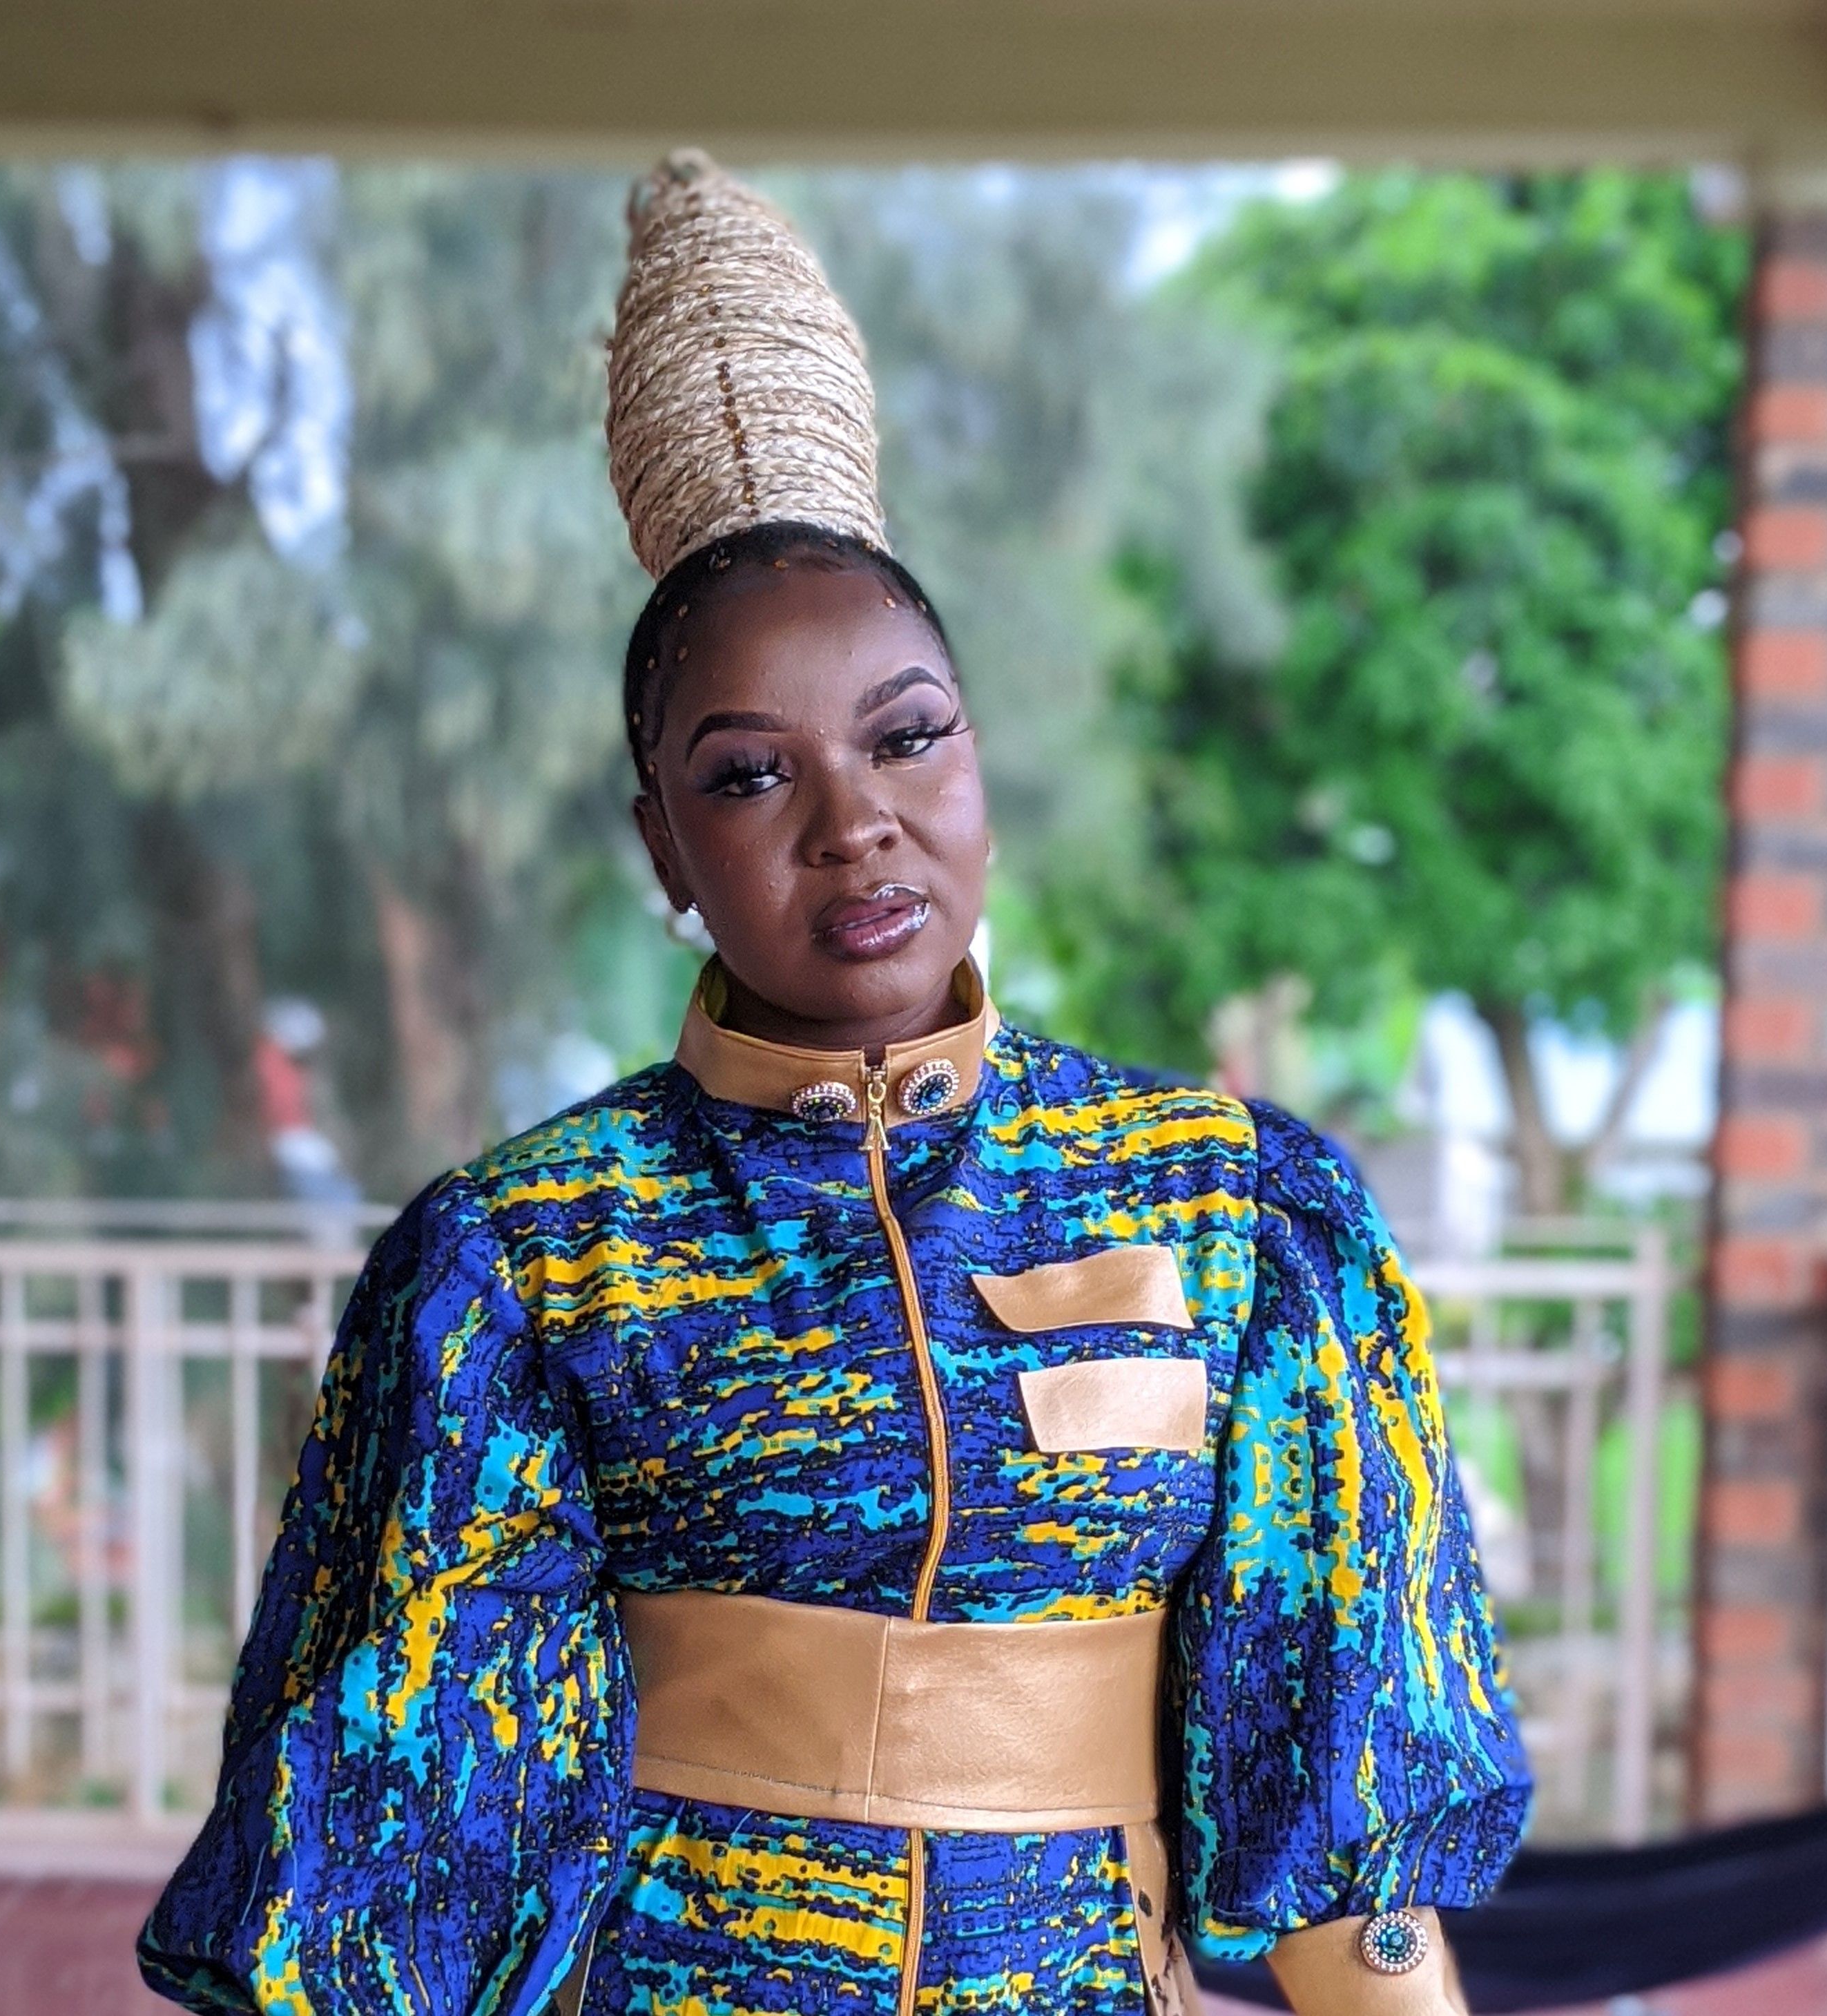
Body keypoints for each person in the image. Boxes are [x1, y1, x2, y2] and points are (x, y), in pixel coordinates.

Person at [139, 153, 1529, 2016]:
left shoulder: (1234, 1209)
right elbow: (412, 1856)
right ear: (661, 849)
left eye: (906, 736)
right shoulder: (527, 1260)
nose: (854, 821)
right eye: (747, 773)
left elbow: (1342, 1800)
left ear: (977, 756)